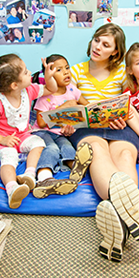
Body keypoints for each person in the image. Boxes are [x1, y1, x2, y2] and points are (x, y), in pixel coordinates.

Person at [69, 23, 139, 262]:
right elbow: (68, 103)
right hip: (88, 128)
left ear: (115, 52)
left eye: (106, 45)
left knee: (126, 156)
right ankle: (131, 216)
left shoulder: (121, 73)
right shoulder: (75, 71)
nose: (97, 46)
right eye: (97, 40)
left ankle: (119, 219)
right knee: (97, 152)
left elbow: (130, 104)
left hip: (119, 126)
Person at [0, 53, 76, 210]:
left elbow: (51, 89)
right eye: (25, 72)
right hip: (3, 139)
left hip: (22, 135)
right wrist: (2, 140)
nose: (30, 72)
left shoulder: (29, 91)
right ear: (14, 85)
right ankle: (12, 189)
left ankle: (29, 175)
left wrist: (49, 75)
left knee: (39, 143)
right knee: (8, 159)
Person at [31, 54, 91, 199]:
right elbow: (41, 122)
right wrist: (64, 107)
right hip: (42, 132)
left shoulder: (72, 90)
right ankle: (44, 179)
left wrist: (74, 124)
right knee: (51, 149)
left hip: (60, 134)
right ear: (49, 74)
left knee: (68, 148)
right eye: (59, 70)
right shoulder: (46, 95)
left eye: (67, 67)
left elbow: (87, 107)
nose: (66, 72)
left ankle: (76, 172)